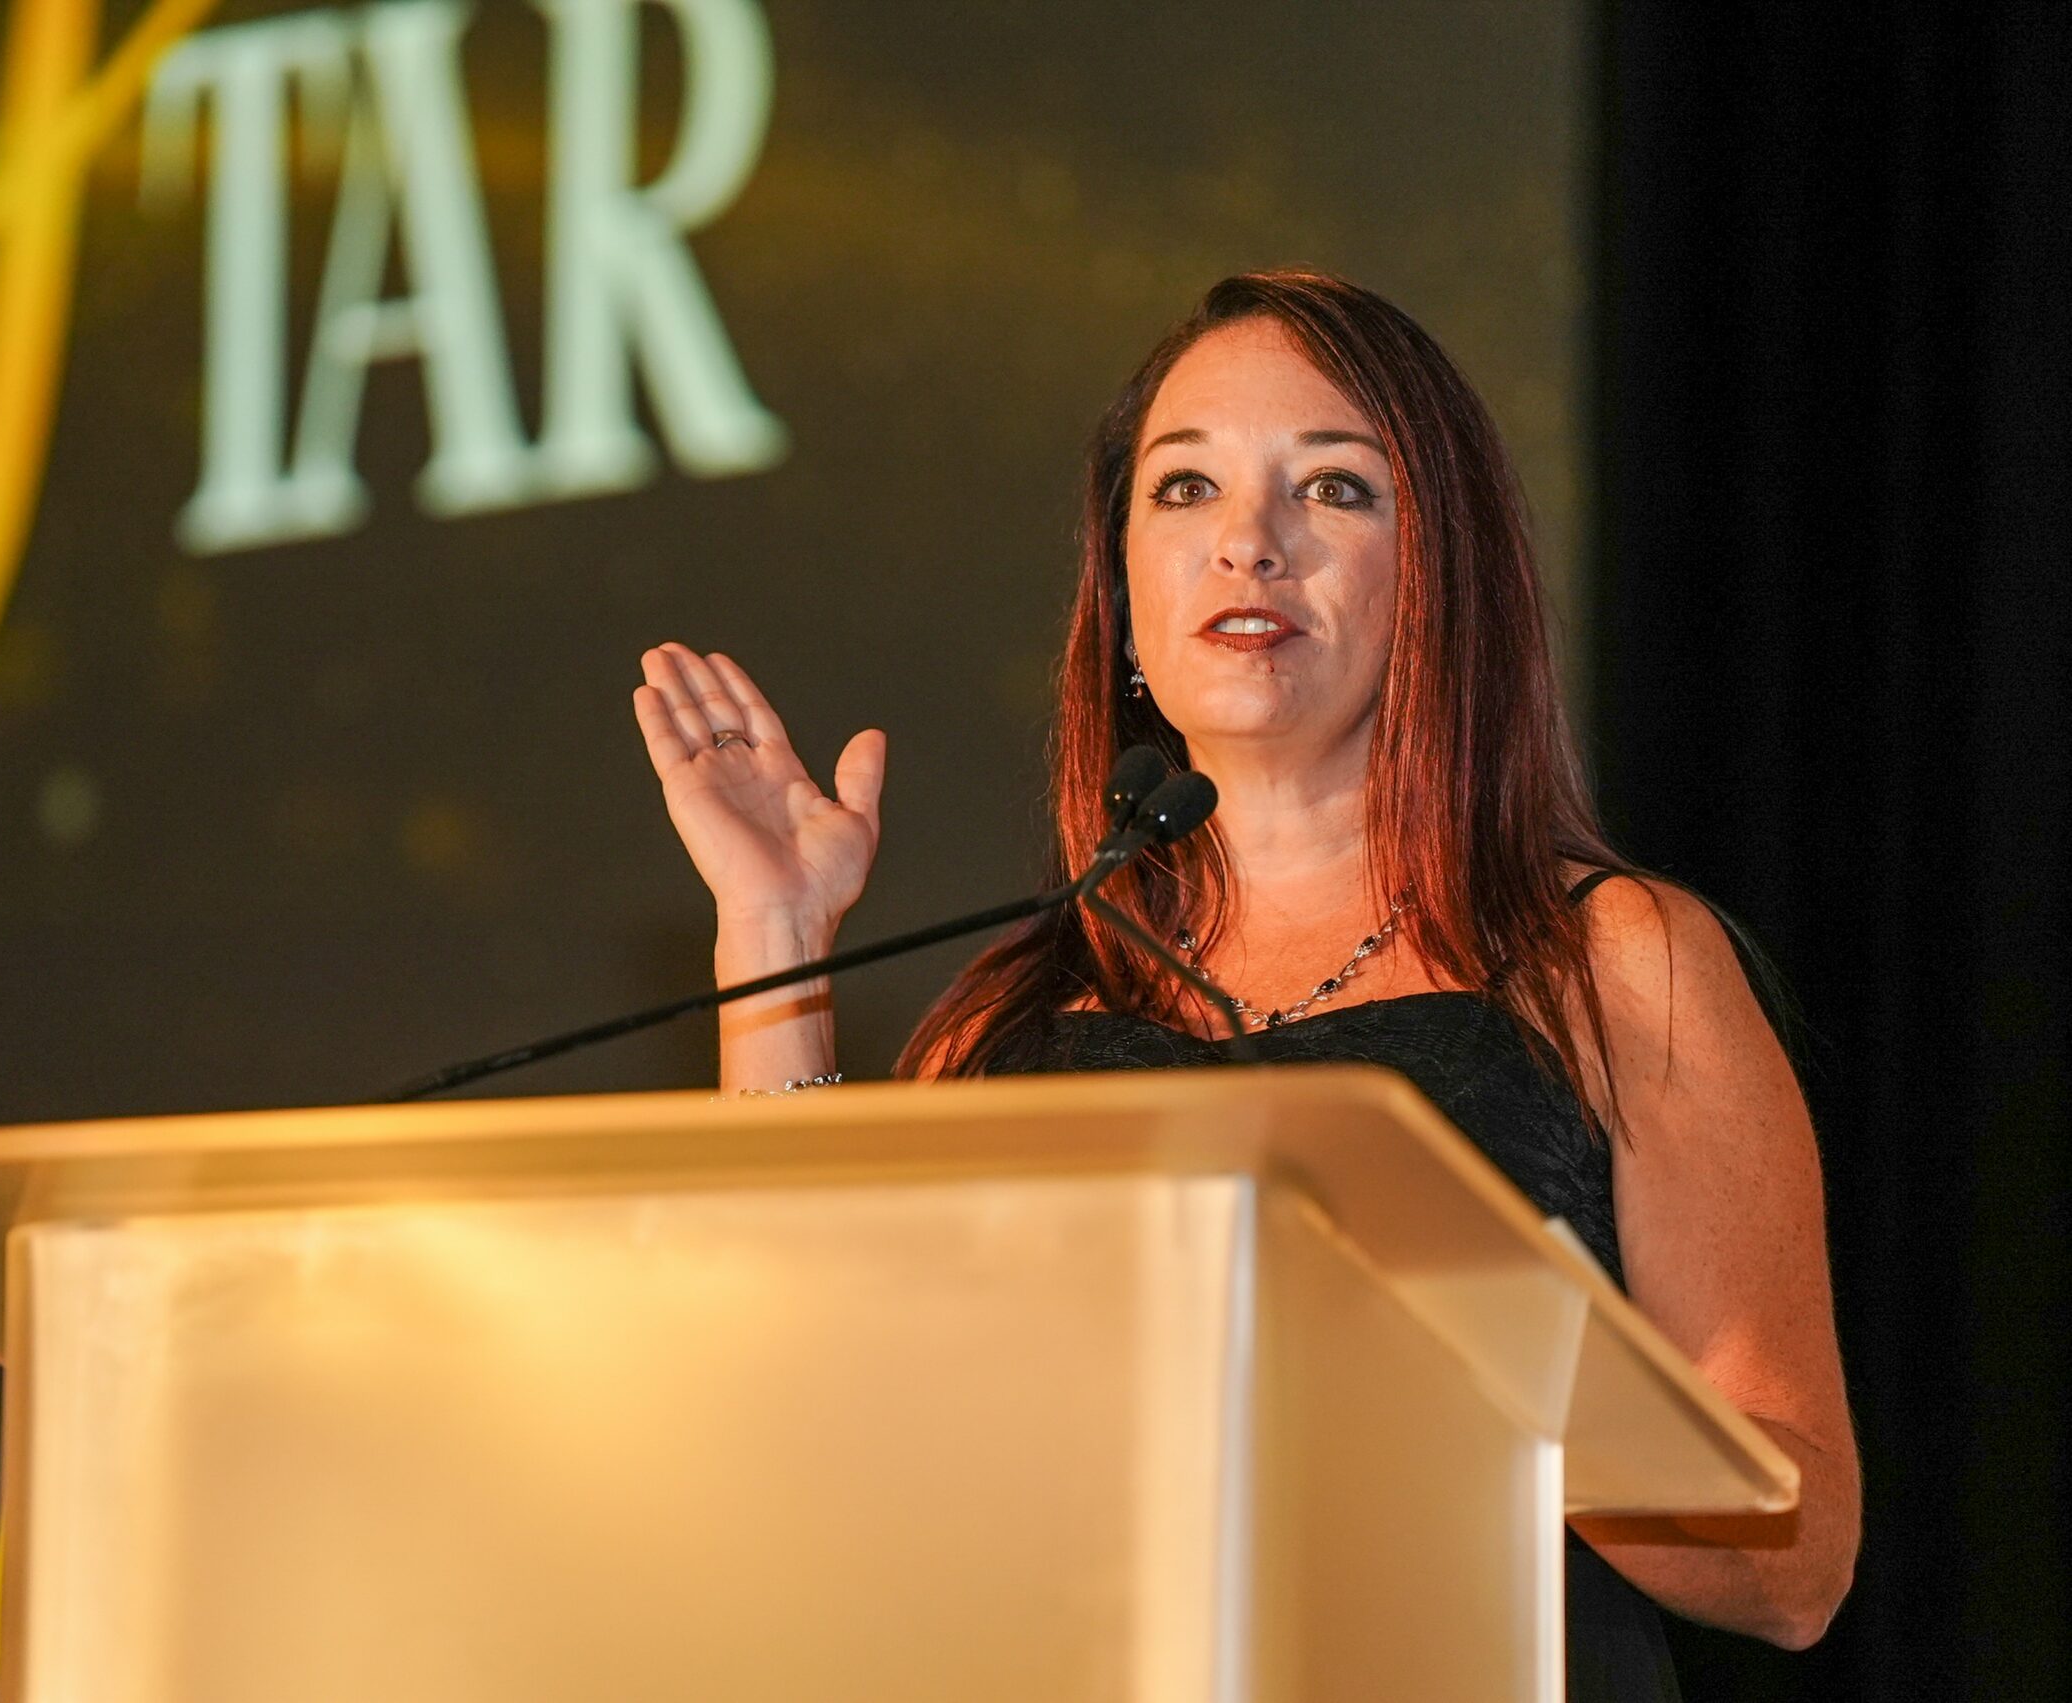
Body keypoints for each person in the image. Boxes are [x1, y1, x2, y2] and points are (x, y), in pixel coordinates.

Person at [630, 269, 1858, 1696]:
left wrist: (1434, 1355)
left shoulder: (1610, 962)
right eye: (1183, 491)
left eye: (1331, 491)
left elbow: (1795, 1563)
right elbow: (807, 1443)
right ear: (1125, 583)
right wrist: (774, 934)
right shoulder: (1010, 1020)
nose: (1248, 545)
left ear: (1438, 573)